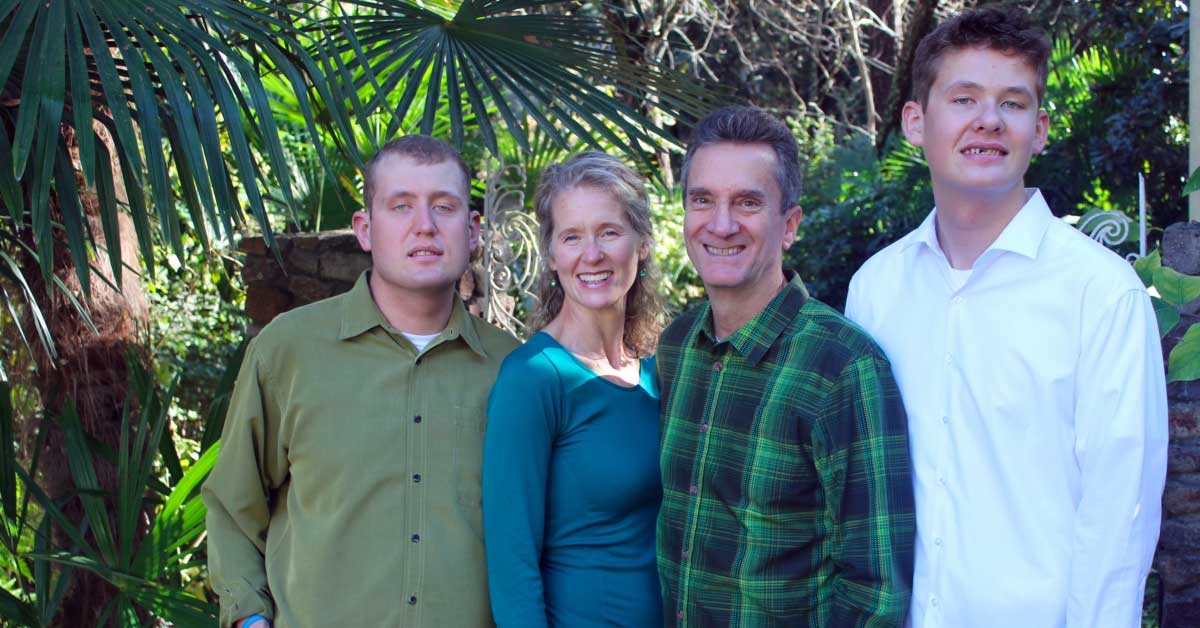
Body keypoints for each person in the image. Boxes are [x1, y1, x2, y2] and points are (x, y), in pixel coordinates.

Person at [844, 8, 1168, 628]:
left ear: (1040, 130)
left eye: (1012, 104)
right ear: (916, 121)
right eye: (964, 98)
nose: (988, 120)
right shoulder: (875, 291)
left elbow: (1118, 519)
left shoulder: (1101, 295)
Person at [201, 135, 519, 628]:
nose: (425, 227)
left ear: (473, 230)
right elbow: (232, 506)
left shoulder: (513, 370)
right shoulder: (289, 351)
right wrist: (248, 618)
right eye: (401, 206)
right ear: (365, 229)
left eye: (444, 206)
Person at [656, 106, 915, 627]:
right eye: (702, 200)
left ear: (789, 224)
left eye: (748, 202)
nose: (721, 223)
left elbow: (875, 594)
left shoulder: (843, 368)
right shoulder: (677, 347)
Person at [482, 152, 666, 627]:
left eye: (609, 231)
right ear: (551, 254)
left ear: (641, 243)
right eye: (572, 236)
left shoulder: (656, 371)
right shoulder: (534, 378)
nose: (592, 254)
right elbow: (511, 560)